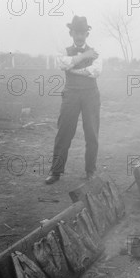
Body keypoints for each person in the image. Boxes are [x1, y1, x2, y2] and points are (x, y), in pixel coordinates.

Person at [45, 16, 102, 185]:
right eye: (76, 32)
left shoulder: (96, 52)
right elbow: (63, 64)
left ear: (87, 34)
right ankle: (55, 171)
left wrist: (73, 67)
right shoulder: (64, 50)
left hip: (91, 94)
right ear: (71, 33)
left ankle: (90, 171)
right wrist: (84, 56)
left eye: (83, 33)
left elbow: (94, 71)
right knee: (64, 132)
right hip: (70, 94)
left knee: (91, 133)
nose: (79, 36)